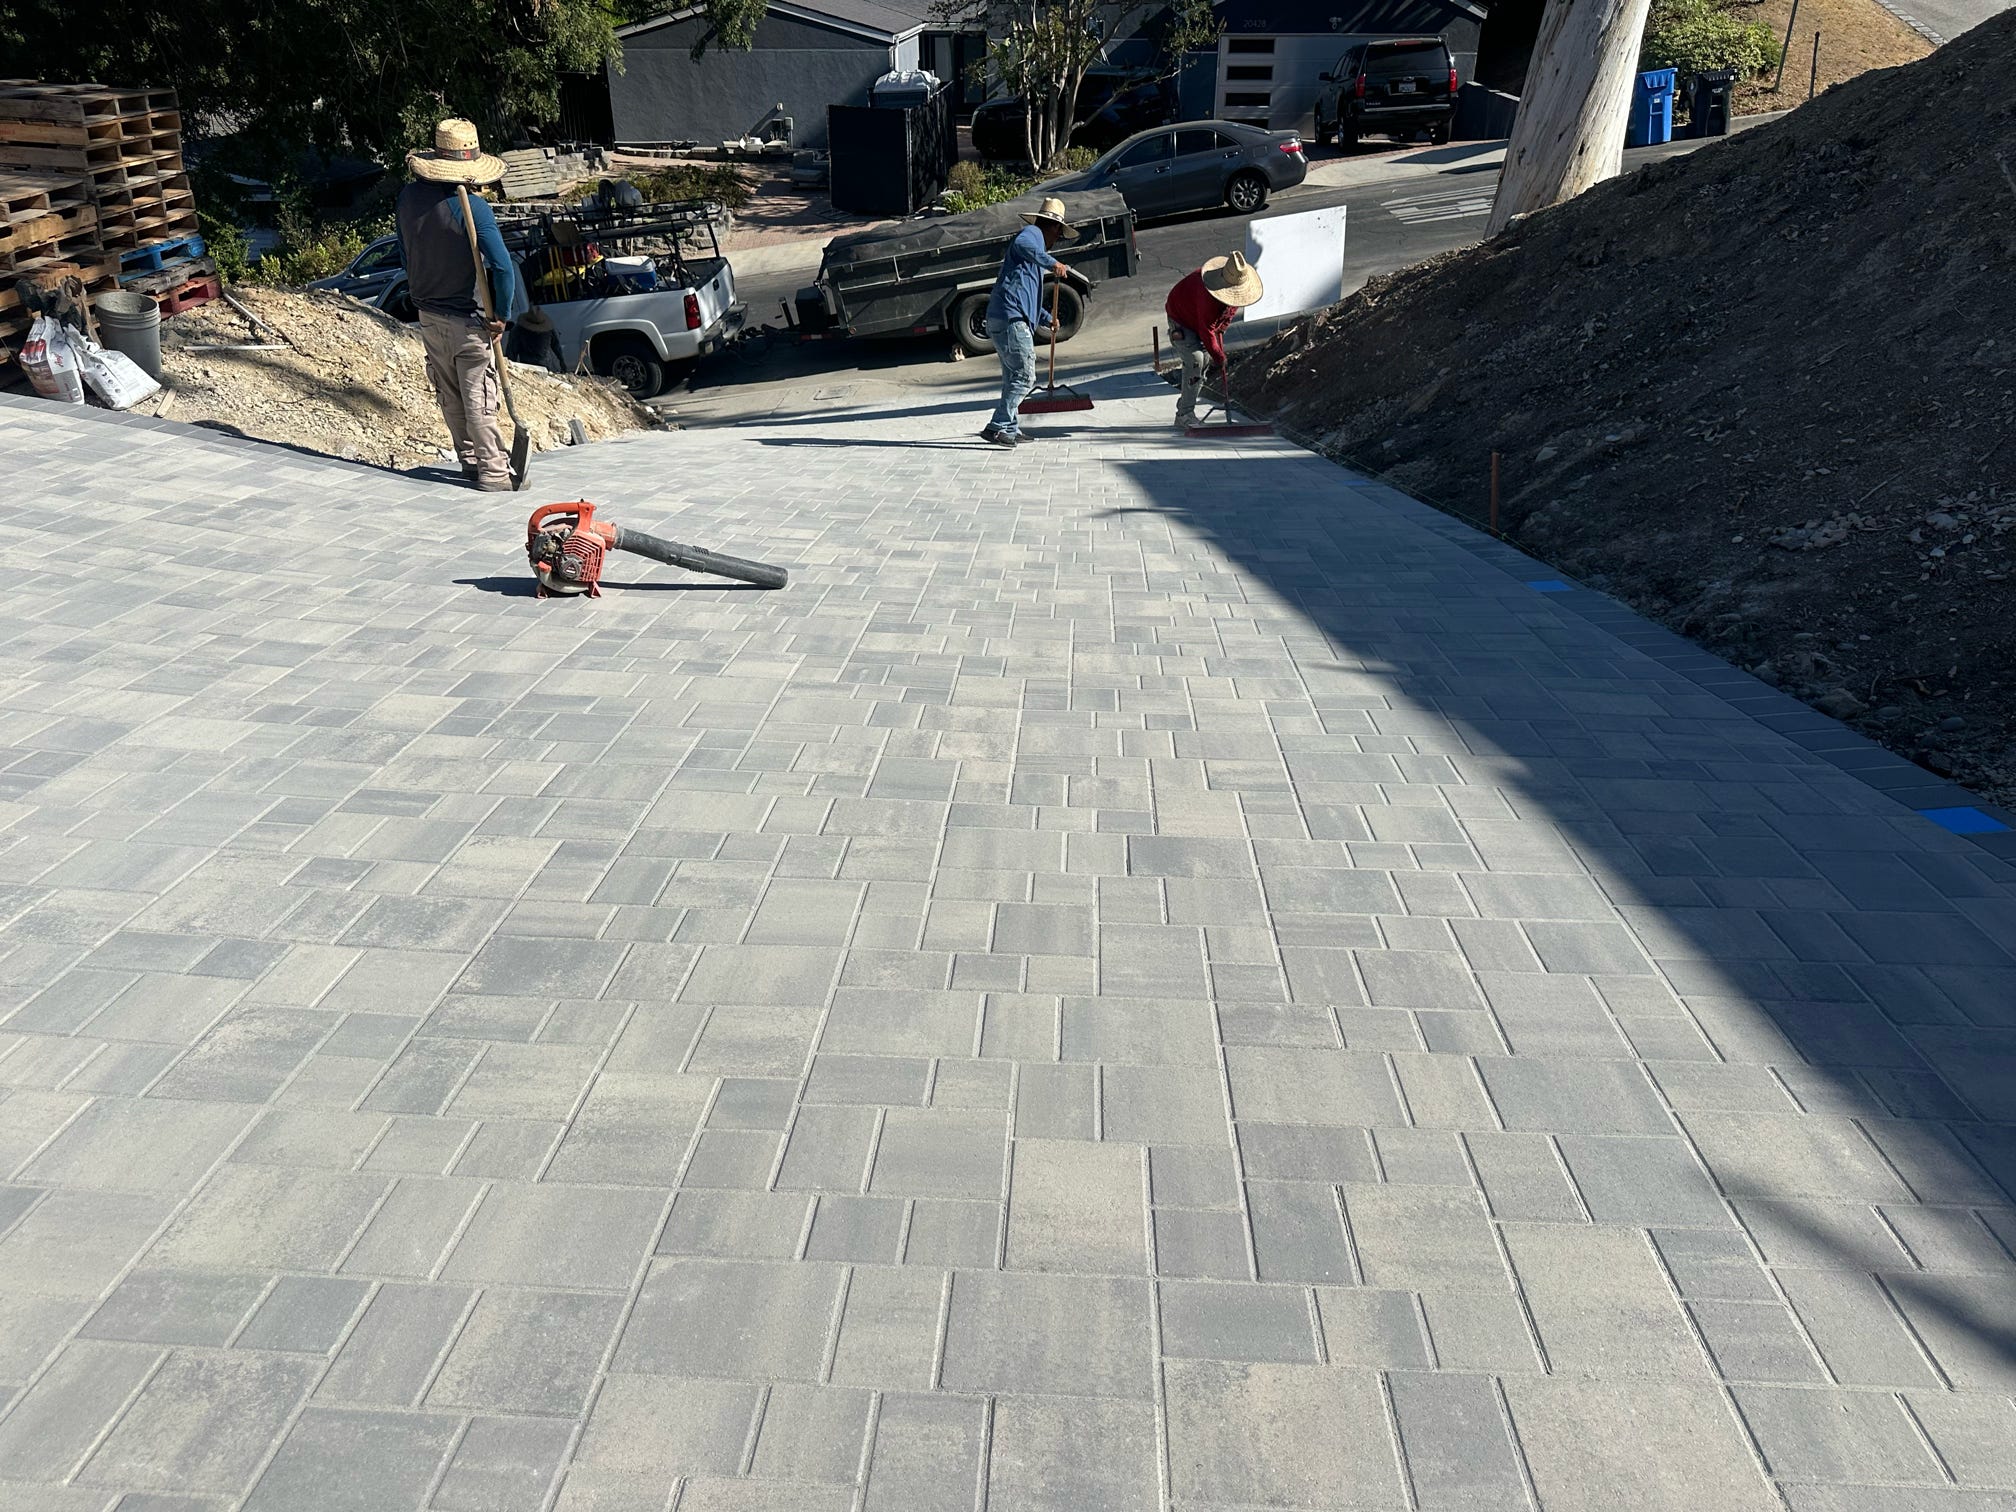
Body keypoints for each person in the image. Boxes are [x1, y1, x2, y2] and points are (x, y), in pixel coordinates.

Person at [395, 119, 520, 490]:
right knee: (478, 394)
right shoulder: (472, 209)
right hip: (468, 319)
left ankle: (469, 462)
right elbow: (502, 267)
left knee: (449, 393)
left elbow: (404, 254)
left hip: (427, 315)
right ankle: (494, 472)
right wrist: (501, 315)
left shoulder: (407, 199)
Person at [981, 196, 1092, 446]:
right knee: (1025, 377)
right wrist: (1053, 263)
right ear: (1053, 227)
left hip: (1004, 316)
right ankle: (997, 426)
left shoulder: (1032, 258)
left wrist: (1046, 318)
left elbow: (1025, 295)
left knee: (1013, 378)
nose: (1056, 241)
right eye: (1059, 235)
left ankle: (1009, 428)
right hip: (1011, 319)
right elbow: (1022, 244)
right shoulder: (1032, 234)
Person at [1165, 251, 1265, 429]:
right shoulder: (1207, 292)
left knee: (1205, 361)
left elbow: (1228, 312)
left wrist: (1222, 328)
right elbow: (1206, 329)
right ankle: (1184, 414)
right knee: (1195, 360)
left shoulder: (1235, 287)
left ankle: (1186, 406)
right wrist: (1220, 356)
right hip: (1181, 318)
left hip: (1200, 318)